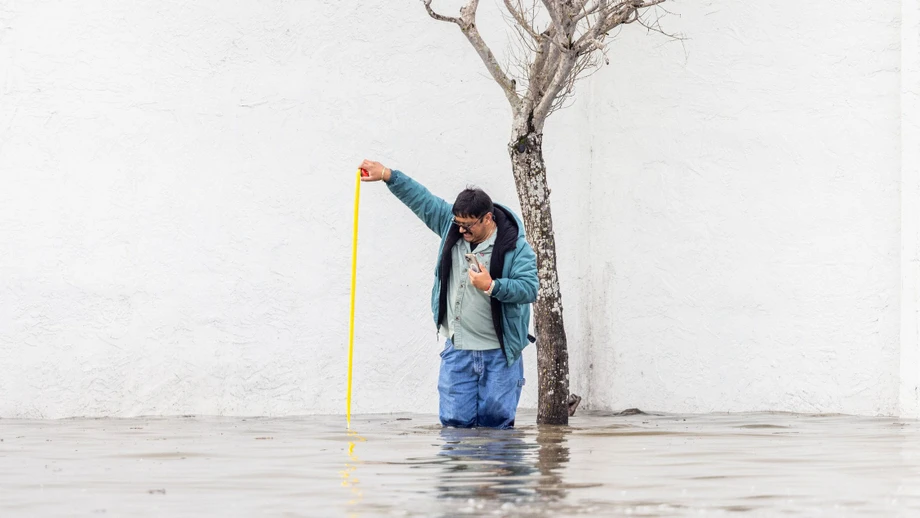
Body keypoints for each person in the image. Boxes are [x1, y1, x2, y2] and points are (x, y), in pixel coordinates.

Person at [359, 159, 538, 429]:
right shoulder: (451, 227)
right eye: (458, 224)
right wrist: (387, 175)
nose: (462, 231)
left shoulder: (516, 246)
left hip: (500, 354)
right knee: (454, 428)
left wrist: (492, 286)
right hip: (458, 350)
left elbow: (529, 289)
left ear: (487, 218)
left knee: (498, 430)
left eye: (469, 225)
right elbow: (422, 200)